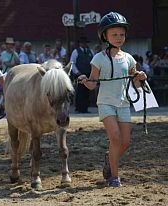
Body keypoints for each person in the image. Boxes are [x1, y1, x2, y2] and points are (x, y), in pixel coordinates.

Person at [78, 12, 147, 187]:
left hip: (124, 104)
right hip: (106, 103)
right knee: (115, 138)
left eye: (121, 34)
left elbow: (136, 86)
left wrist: (140, 77)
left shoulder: (129, 58)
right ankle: (114, 177)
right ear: (105, 36)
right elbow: (93, 84)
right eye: (114, 34)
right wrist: (85, 81)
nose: (118, 38)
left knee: (125, 142)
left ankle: (109, 159)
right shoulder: (98, 58)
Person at [71, 36, 94, 113]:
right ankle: (79, 108)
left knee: (87, 91)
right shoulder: (76, 51)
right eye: (83, 43)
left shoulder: (90, 51)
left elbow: (93, 63)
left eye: (85, 43)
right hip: (79, 74)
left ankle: (85, 108)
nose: (84, 44)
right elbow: (72, 63)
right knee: (80, 91)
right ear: (80, 44)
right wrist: (77, 72)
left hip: (88, 74)